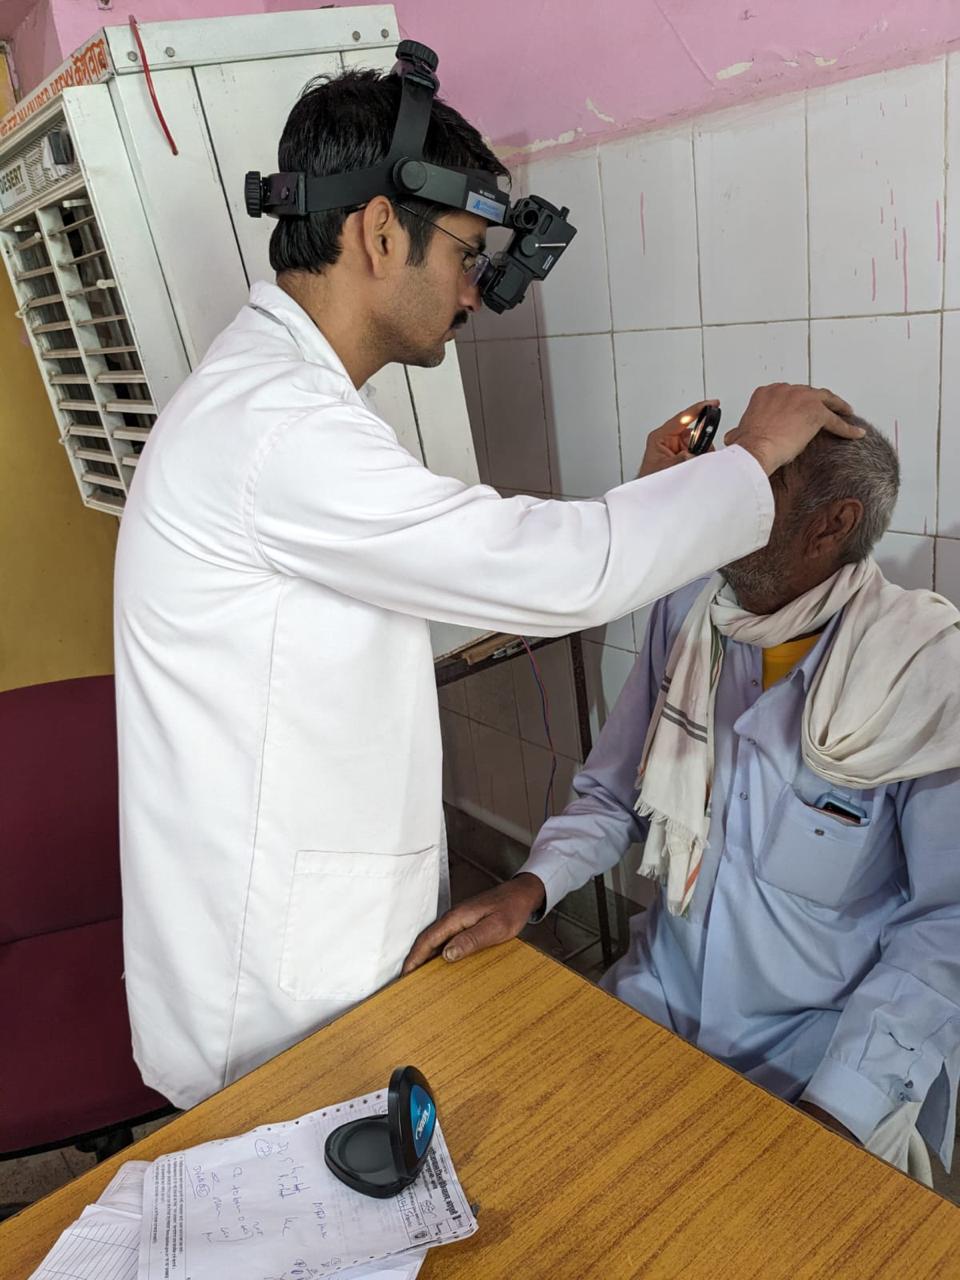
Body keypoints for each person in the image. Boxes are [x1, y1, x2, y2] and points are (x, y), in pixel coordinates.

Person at [114, 63, 859, 1109]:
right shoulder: (278, 430)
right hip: (271, 979)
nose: (475, 292)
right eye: (467, 255)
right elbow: (549, 569)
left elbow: (463, 568)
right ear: (381, 232)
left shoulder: (276, 406)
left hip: (293, 923)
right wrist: (750, 458)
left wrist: (660, 501)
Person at [406, 420, 960, 1183]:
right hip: (658, 999)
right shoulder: (691, 614)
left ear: (832, 525)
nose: (724, 491)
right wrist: (531, 887)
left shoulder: (921, 675)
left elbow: (946, 925)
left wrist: (841, 1107)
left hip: (812, 1058)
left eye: (765, 479)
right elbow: (615, 793)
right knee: (529, 1170)